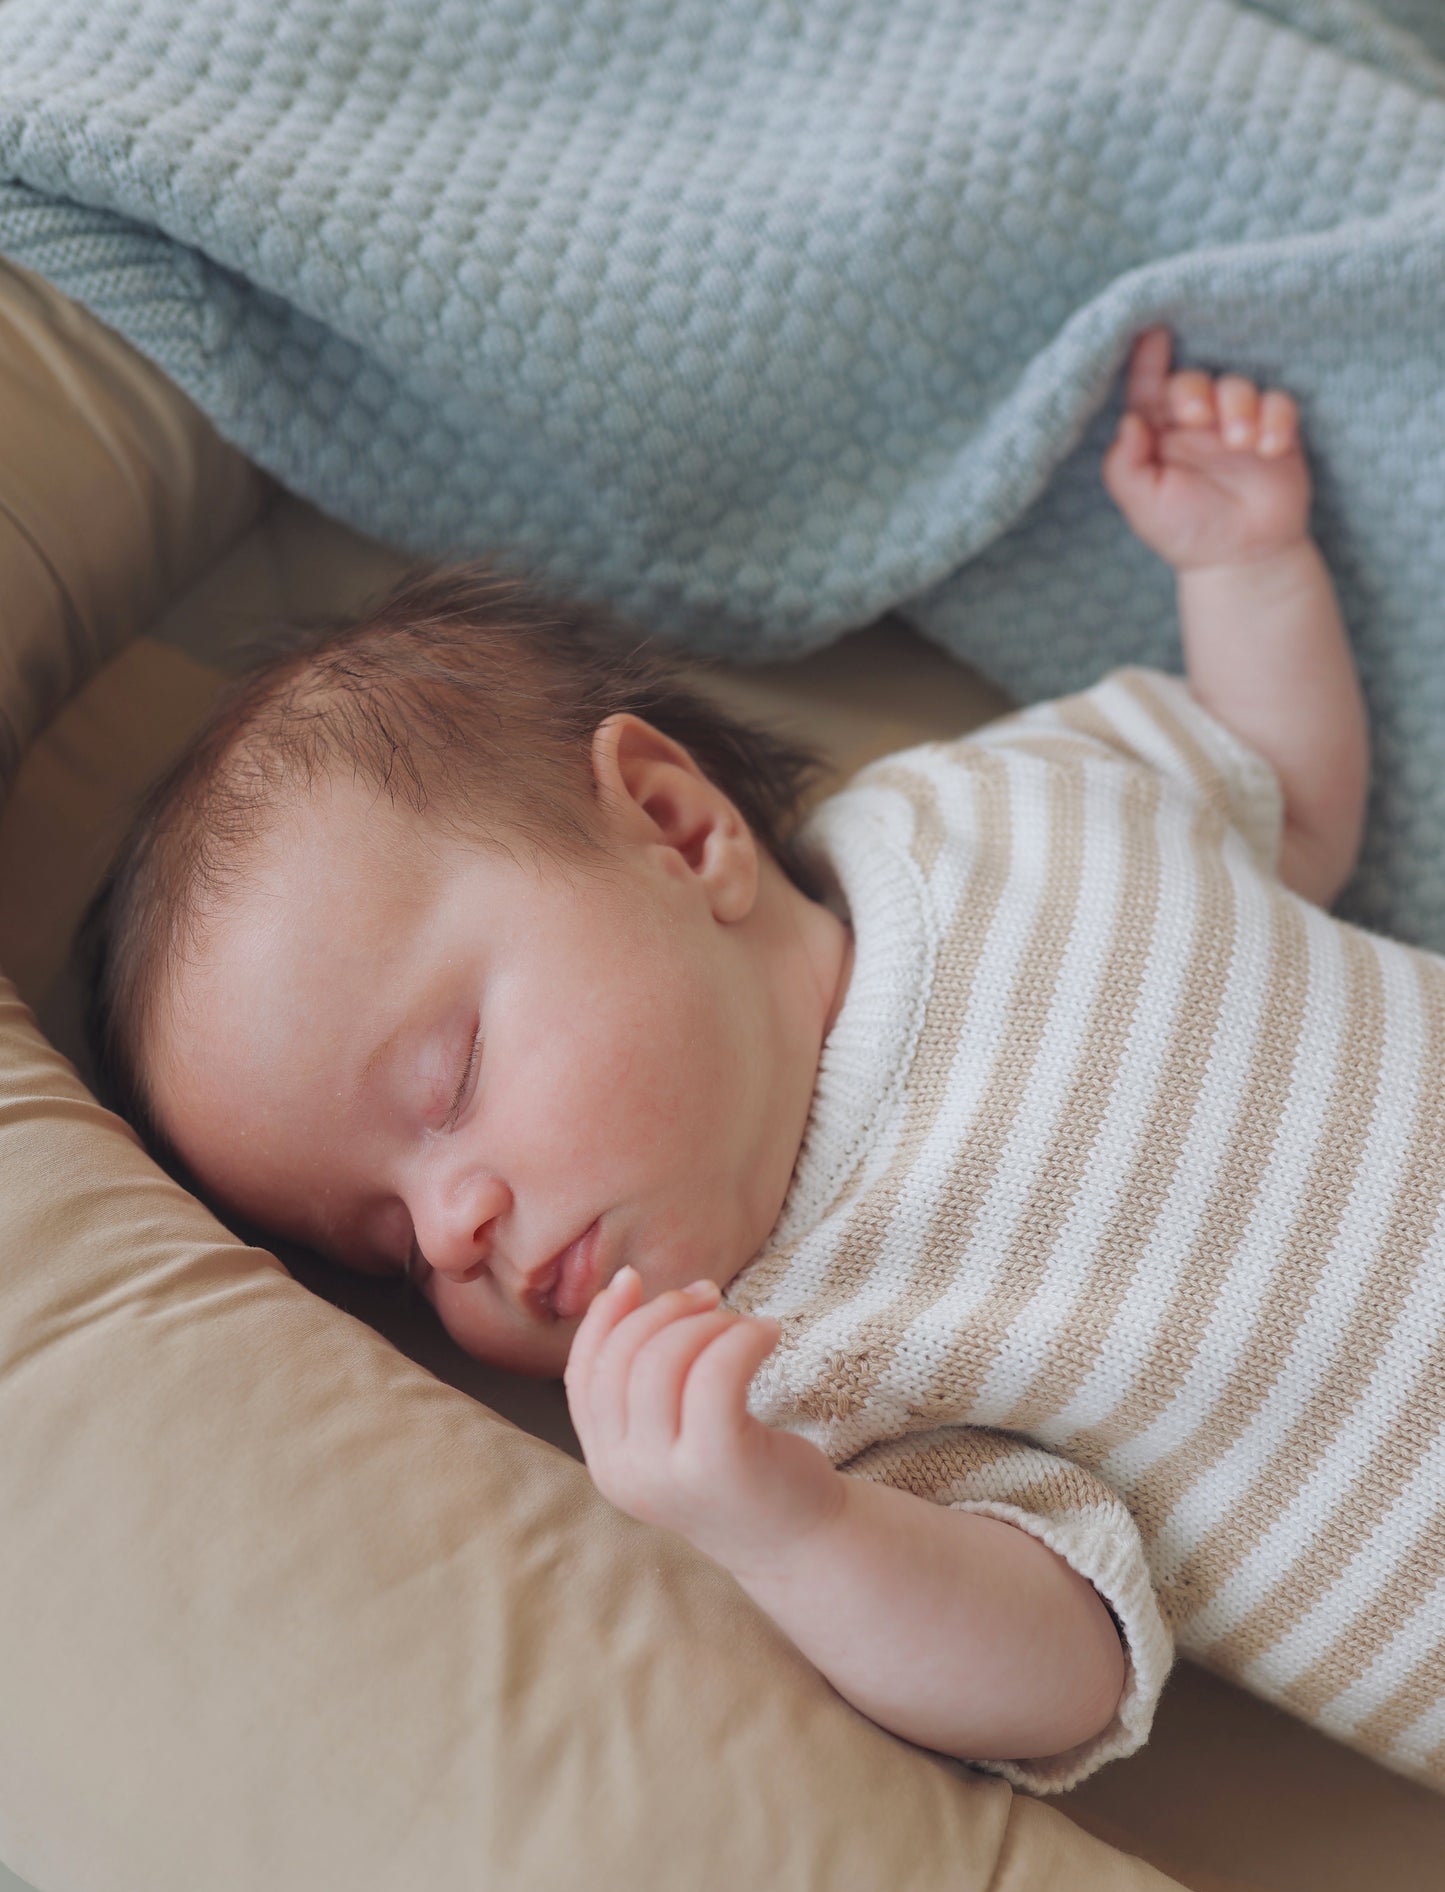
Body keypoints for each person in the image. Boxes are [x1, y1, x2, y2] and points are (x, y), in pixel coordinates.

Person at [89, 324, 1441, 1802]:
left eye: (447, 1082)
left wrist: (1245, 571)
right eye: (389, 1248)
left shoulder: (986, 809)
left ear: (674, 828)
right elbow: (1068, 1669)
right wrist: (789, 1531)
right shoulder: (800, 1367)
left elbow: (1281, 804)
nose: (450, 1229)